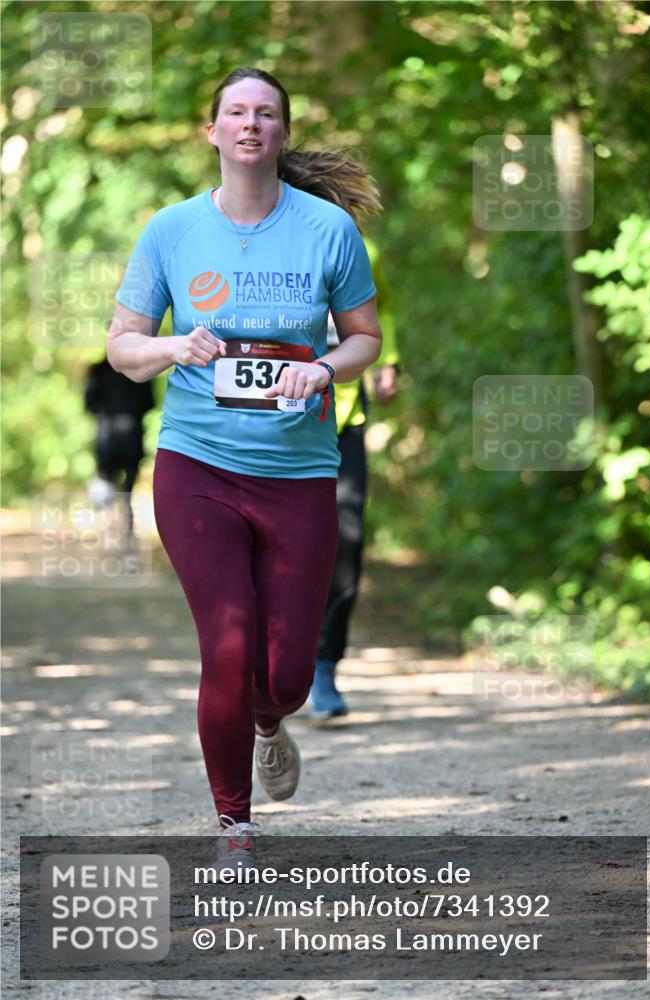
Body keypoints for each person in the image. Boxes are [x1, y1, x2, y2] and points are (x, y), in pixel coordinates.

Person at [106, 67, 383, 871]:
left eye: (266, 113)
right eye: (236, 112)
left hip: (298, 471)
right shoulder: (171, 229)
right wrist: (169, 347)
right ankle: (235, 823)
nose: (250, 124)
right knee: (226, 647)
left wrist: (325, 369)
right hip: (197, 466)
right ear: (213, 131)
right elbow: (123, 348)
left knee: (286, 673)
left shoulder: (327, 231)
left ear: (282, 133)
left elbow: (364, 338)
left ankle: (272, 721)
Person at [309, 242, 400, 719]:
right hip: (269, 421)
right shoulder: (253, 236)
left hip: (342, 416)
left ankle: (324, 663)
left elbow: (380, 306)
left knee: (347, 538)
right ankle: (271, 662)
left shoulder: (358, 247)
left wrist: (389, 363)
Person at [84, 357, 154, 549]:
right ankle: (128, 531)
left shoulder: (97, 370)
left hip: (106, 434)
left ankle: (111, 526)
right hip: (132, 434)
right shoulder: (142, 369)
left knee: (107, 481)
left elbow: (89, 403)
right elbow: (149, 402)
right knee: (128, 490)